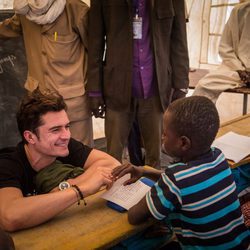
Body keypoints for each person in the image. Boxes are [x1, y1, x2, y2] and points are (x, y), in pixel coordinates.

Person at [112, 96, 250, 249]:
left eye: (165, 133)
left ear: (183, 142)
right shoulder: (218, 157)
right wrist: (144, 171)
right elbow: (186, 181)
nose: (162, 137)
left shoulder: (174, 180)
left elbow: (134, 217)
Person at [0, 88, 120, 232]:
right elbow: (11, 217)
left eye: (67, 127)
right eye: (55, 130)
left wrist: (66, 185)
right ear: (30, 137)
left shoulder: (63, 146)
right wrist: (81, 190)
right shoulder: (7, 164)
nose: (66, 135)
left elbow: (112, 164)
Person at [87, 0, 189, 168]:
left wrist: (181, 83)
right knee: (112, 157)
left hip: (156, 87)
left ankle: (152, 191)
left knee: (154, 155)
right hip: (116, 87)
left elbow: (179, 40)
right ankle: (112, 191)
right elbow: (95, 43)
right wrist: (94, 90)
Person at [0, 0, 93, 146]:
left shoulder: (75, 9)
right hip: (38, 102)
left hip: (73, 105)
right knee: (45, 159)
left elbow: (95, 52)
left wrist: (97, 92)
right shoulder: (25, 12)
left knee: (80, 158)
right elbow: (8, 28)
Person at [193, 1, 250, 103]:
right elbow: (225, 47)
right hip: (237, 71)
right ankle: (202, 118)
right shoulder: (239, 11)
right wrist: (240, 70)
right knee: (204, 86)